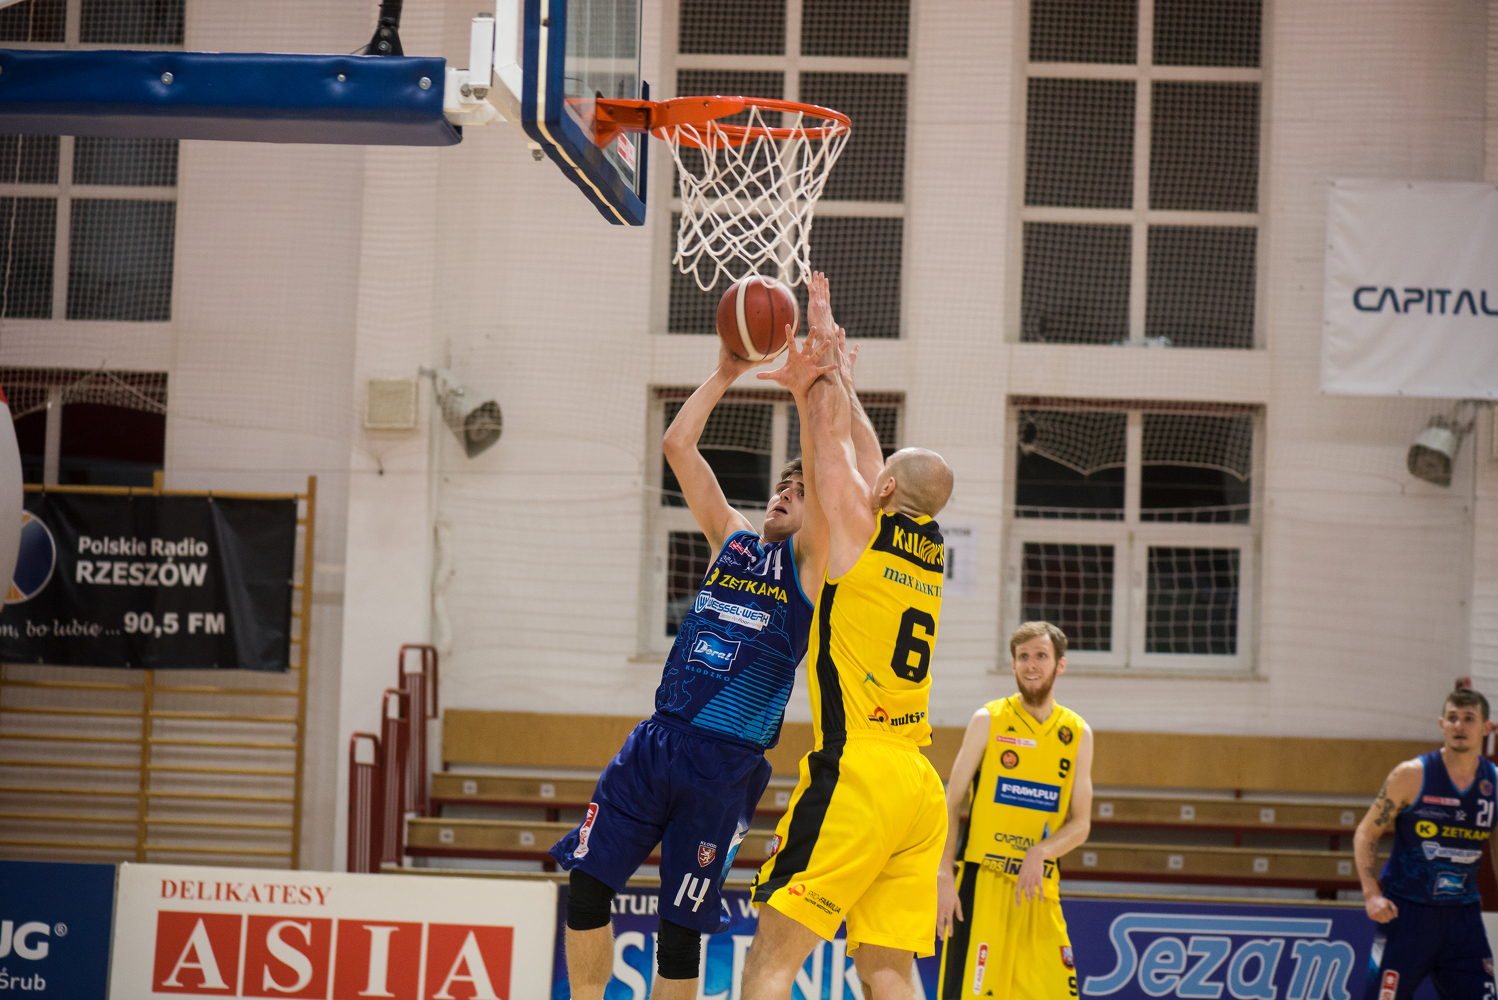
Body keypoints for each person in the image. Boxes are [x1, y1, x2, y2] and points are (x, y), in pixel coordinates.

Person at [549, 274, 882, 1000]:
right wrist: (727, 370)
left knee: (679, 933)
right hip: (657, 740)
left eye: (797, 492)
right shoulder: (732, 540)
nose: (783, 493)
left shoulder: (809, 569)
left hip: (724, 765)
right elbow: (677, 444)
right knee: (586, 886)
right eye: (780, 487)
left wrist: (810, 390)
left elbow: (827, 481)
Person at [741, 324, 955, 1000]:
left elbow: (833, 454)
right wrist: (843, 381)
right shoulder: (930, 546)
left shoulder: (859, 534)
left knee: (773, 953)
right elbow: (866, 455)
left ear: (884, 490)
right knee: (886, 970)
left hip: (859, 767)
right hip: (918, 784)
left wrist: (816, 379)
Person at [934, 621, 1094, 999]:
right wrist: (943, 874)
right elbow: (951, 800)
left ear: (1060, 665)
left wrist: (1041, 851)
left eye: (1041, 655)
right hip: (982, 883)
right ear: (1013, 665)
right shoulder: (988, 720)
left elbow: (1081, 824)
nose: (1031, 664)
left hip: (1039, 886)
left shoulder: (1078, 733)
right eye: (1023, 656)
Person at [1354, 685, 1498, 1000]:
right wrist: (1371, 894)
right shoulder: (1411, 775)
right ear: (1441, 724)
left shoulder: (1495, 783)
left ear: (1487, 728)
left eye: (1469, 718)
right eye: (1452, 718)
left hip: (1463, 917)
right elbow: (1366, 832)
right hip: (1405, 912)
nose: (1459, 725)